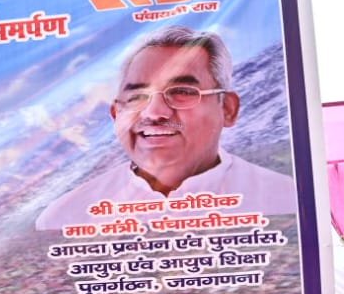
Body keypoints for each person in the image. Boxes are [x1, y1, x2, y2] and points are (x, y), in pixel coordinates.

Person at [36, 25, 295, 231]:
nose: (154, 113)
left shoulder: (287, 200)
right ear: (116, 114)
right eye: (136, 97)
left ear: (227, 108)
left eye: (182, 92)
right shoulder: (65, 218)